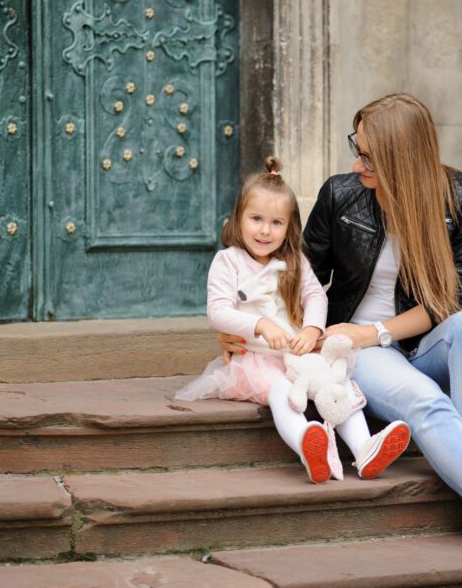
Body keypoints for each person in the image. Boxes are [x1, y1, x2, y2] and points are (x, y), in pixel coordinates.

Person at [219, 95, 462, 566]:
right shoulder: (341, 195)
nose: (357, 164)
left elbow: (458, 295)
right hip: (356, 351)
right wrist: (246, 322)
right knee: (424, 399)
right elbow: (293, 273)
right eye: (357, 149)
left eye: (368, 156)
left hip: (407, 339)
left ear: (401, 158)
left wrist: (375, 331)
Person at [176, 157, 410, 484]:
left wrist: (313, 328)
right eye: (256, 219)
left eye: (276, 222)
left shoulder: (294, 261)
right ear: (238, 217)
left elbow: (315, 295)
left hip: (299, 353)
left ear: (289, 227)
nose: (264, 230)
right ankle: (309, 446)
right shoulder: (228, 261)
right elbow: (218, 311)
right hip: (256, 358)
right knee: (282, 393)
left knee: (337, 382)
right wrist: (260, 326)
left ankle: (364, 448)